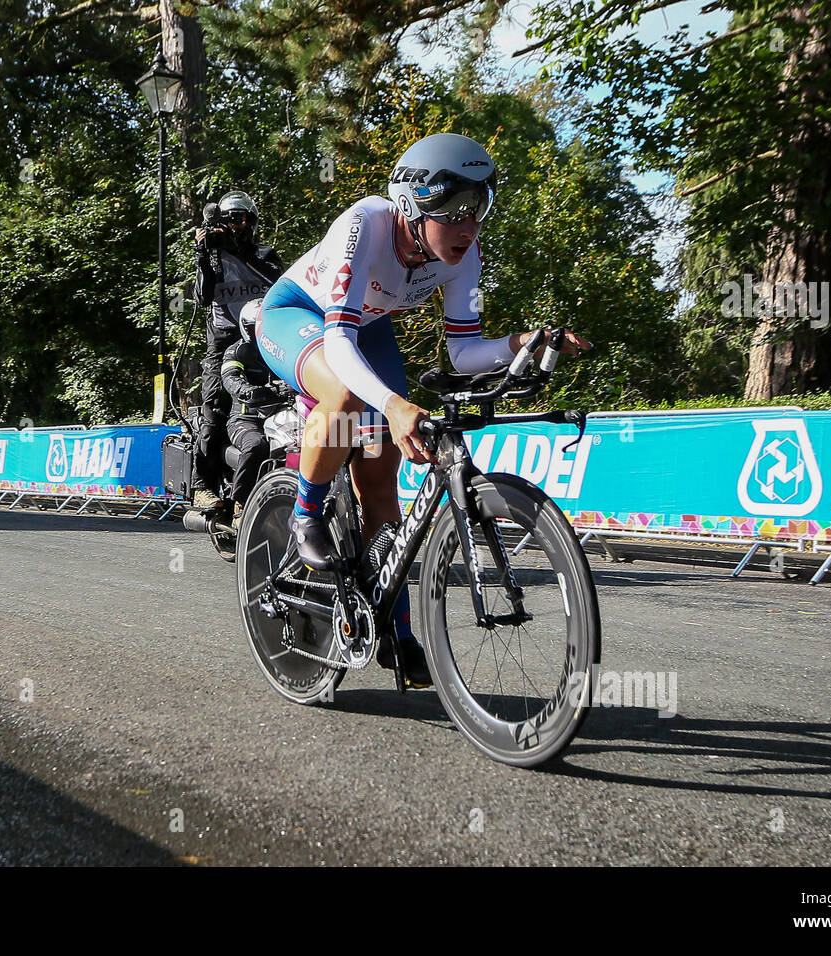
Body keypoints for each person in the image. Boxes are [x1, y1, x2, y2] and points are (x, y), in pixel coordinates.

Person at [255, 132, 590, 687]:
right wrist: (393, 405)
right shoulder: (363, 225)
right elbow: (338, 344)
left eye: (480, 209)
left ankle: (398, 629)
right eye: (456, 211)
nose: (469, 227)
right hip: (298, 317)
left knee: (381, 484)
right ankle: (306, 512)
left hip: (368, 327)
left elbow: (463, 351)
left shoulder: (465, 255)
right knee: (341, 398)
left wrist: (517, 343)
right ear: (412, 207)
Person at [191, 191, 286, 513]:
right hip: (224, 338)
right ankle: (202, 486)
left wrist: (240, 252)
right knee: (214, 406)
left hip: (265, 336)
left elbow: (282, 283)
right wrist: (202, 255)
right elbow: (202, 298)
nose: (237, 225)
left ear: (253, 221)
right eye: (231, 219)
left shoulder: (265, 254)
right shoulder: (213, 254)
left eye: (243, 218)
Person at [219, 305, 281, 518]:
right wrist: (250, 391)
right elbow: (230, 378)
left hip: (282, 416)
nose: (264, 330)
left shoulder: (285, 348)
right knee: (257, 445)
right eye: (258, 326)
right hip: (245, 419)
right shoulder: (236, 351)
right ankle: (241, 503)